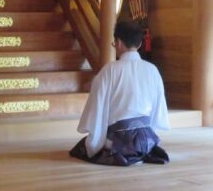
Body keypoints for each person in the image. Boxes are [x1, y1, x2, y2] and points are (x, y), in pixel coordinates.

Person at [70, 21, 170, 166]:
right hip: (145, 140)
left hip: (118, 141)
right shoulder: (152, 70)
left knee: (80, 149)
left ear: (119, 43)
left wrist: (94, 143)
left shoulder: (109, 70)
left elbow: (97, 109)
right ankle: (140, 151)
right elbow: (157, 110)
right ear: (139, 44)